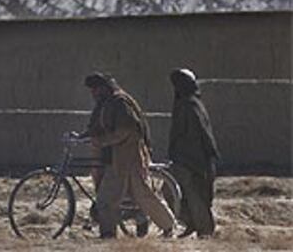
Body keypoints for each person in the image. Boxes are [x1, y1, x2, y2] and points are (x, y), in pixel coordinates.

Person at [81, 71, 176, 239]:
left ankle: (167, 226)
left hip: (128, 159)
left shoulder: (119, 103)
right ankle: (110, 234)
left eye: (95, 89)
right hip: (118, 160)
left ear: (104, 88)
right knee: (128, 198)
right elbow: (96, 126)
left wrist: (103, 141)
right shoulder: (106, 103)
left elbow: (126, 130)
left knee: (117, 199)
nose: (93, 93)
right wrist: (84, 136)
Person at [167, 68, 220, 238]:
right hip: (182, 159)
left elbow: (203, 135)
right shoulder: (185, 104)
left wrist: (203, 160)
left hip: (194, 160)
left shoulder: (191, 106)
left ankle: (204, 230)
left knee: (195, 195)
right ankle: (191, 222)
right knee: (170, 191)